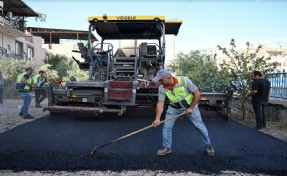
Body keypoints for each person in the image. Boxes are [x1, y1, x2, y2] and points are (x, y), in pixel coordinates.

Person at [152, 69, 215, 156]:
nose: (159, 82)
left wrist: (191, 108)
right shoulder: (162, 88)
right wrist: (157, 119)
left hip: (190, 107)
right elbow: (160, 103)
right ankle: (167, 148)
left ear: (168, 77)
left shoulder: (184, 80)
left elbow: (197, 93)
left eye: (160, 80)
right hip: (174, 108)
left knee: (200, 126)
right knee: (167, 127)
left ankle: (208, 146)